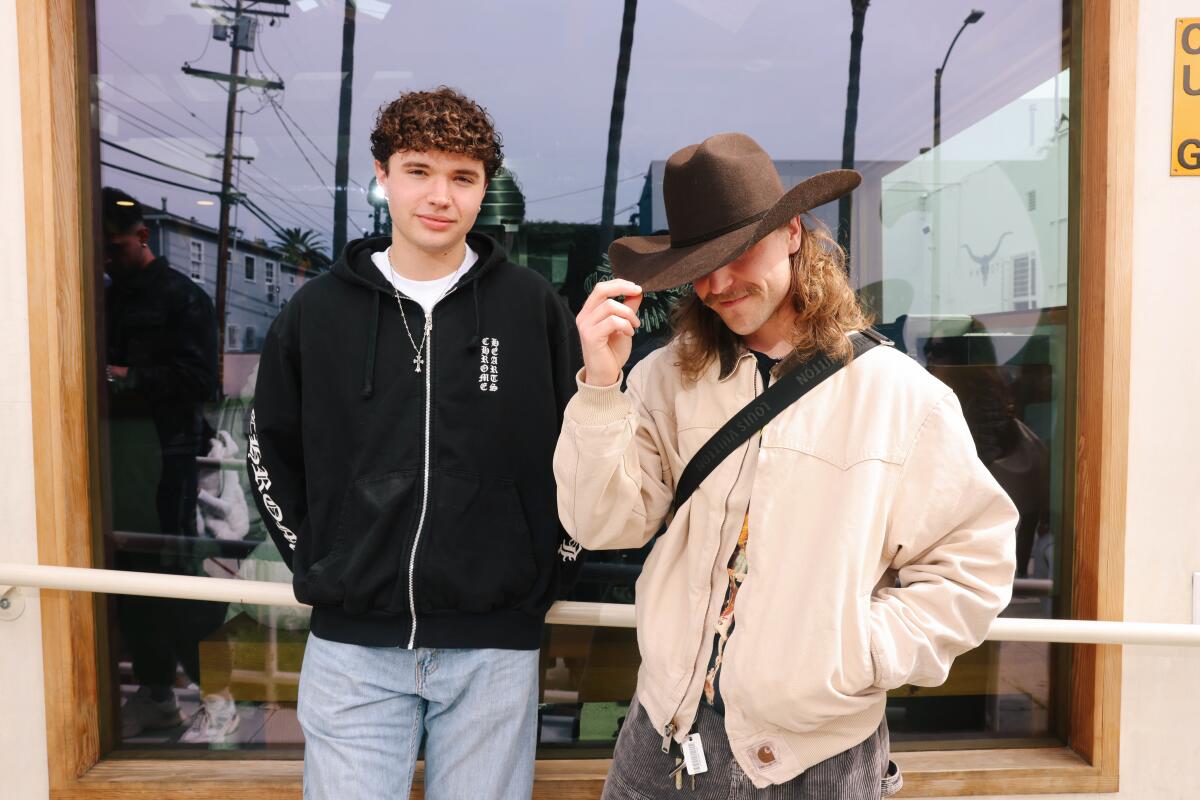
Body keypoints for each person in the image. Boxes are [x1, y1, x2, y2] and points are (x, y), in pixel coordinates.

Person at [554, 132, 1017, 798]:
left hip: (817, 757)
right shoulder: (665, 379)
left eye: (737, 253)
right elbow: (602, 524)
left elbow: (972, 566)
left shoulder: (896, 395)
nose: (716, 285)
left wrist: (856, 653)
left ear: (794, 232)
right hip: (662, 736)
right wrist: (600, 387)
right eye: (698, 263)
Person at [247, 87, 582, 799]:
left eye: (462, 177)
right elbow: (268, 449)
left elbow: (579, 449)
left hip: (492, 646)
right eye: (419, 170)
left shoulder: (530, 308)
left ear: (484, 188)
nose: (440, 196)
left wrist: (541, 572)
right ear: (383, 175)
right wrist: (322, 559)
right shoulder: (318, 312)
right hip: (353, 647)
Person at [102, 187, 227, 739]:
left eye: (115, 246)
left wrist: (128, 377)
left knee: (174, 573)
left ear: (142, 237)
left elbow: (204, 383)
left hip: (167, 454)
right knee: (126, 573)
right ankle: (156, 692)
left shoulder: (182, 298)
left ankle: (216, 692)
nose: (108, 258)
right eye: (101, 250)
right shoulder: (99, 297)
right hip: (112, 455)